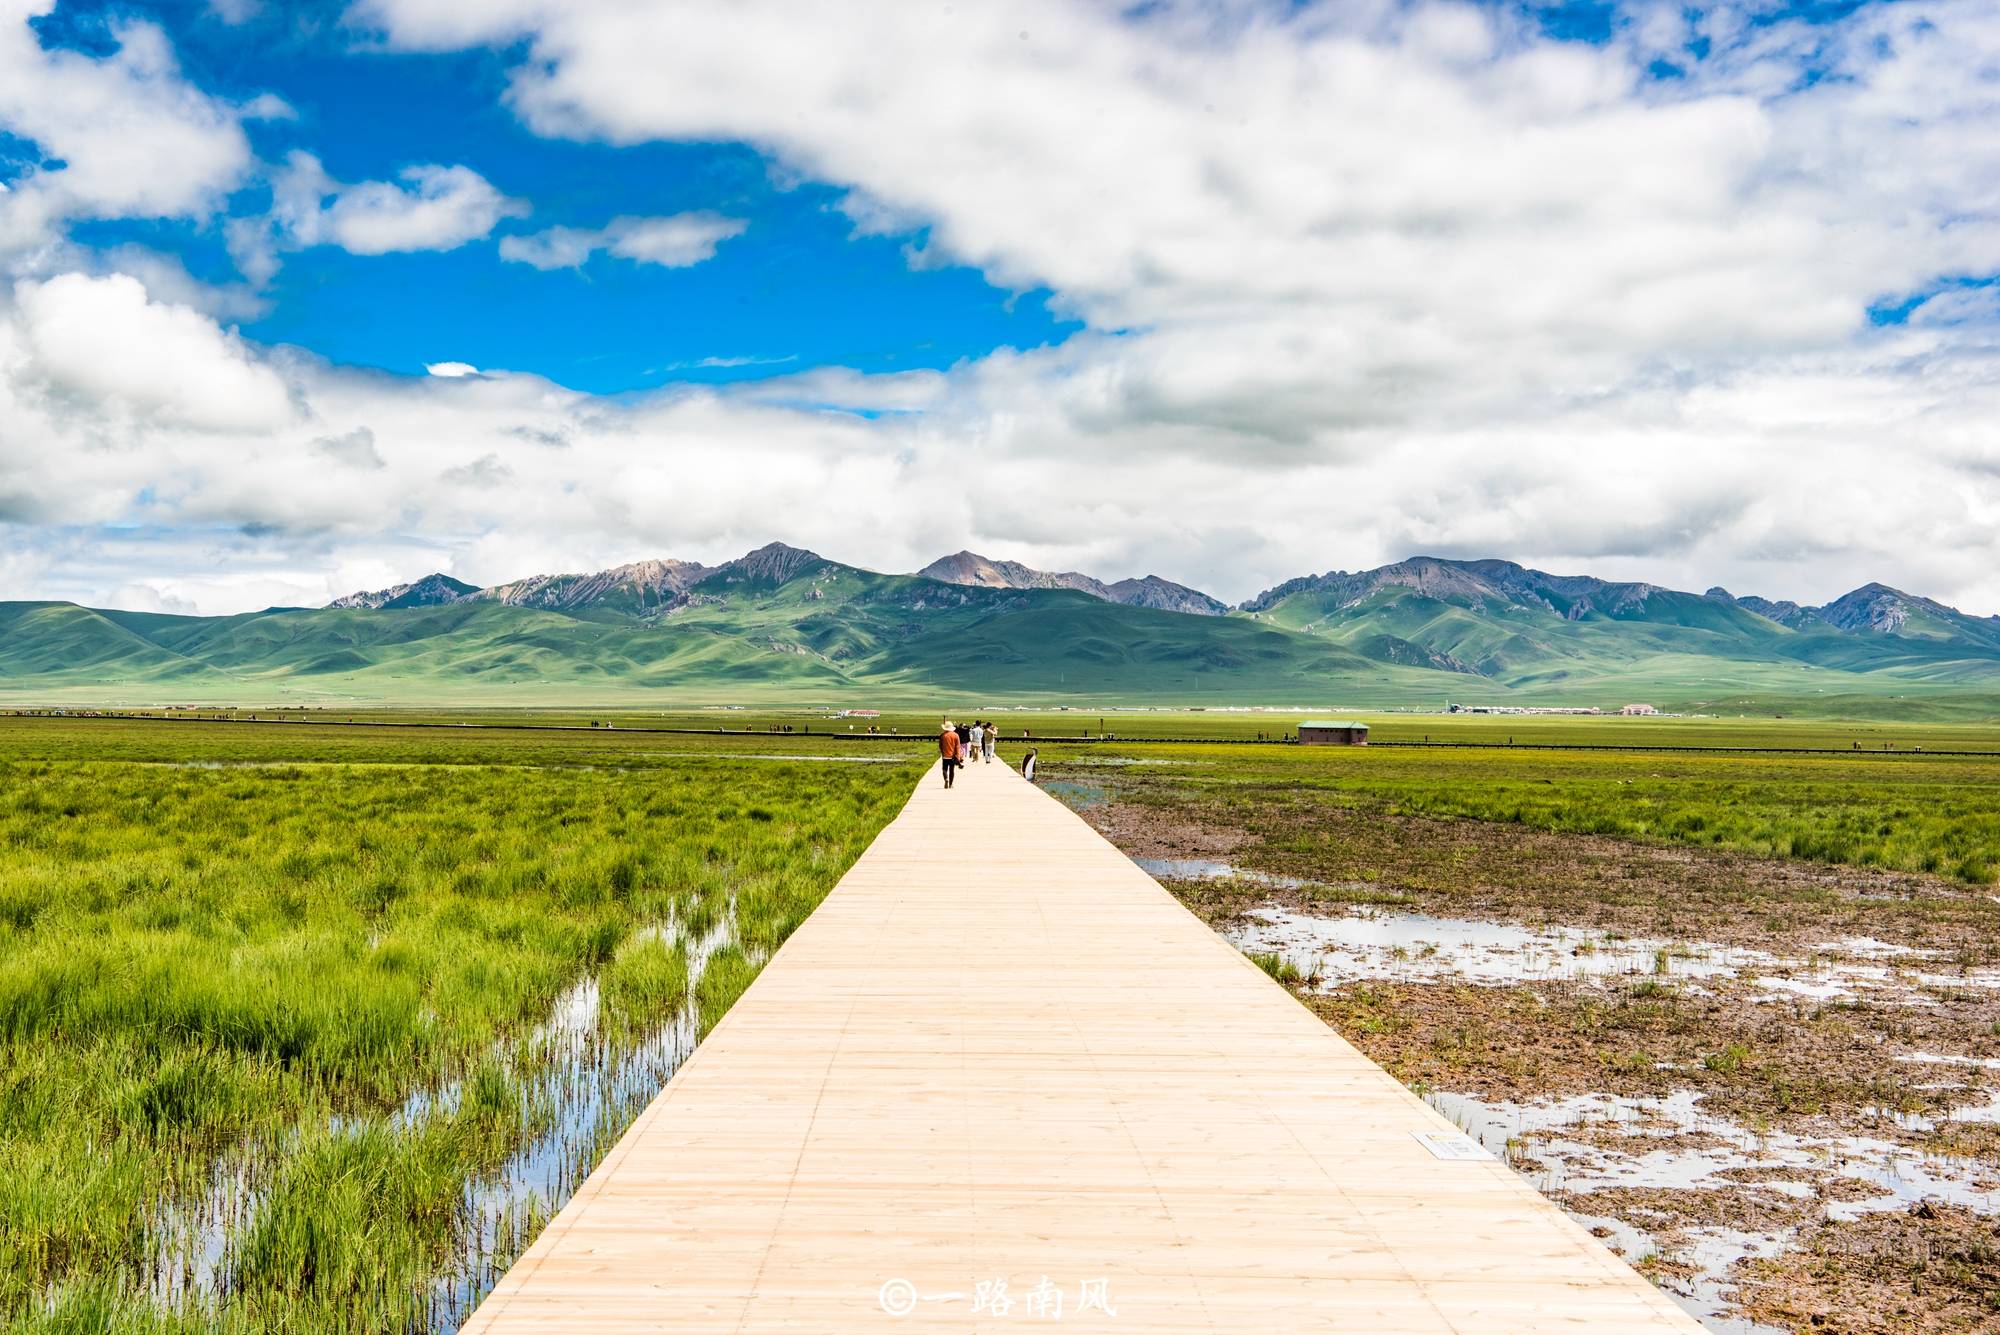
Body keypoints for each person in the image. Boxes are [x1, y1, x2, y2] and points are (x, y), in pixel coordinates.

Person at [939, 719, 961, 788]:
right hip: (953, 756)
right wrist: (958, 756)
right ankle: (951, 784)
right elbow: (958, 747)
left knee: (944, 769)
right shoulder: (956, 735)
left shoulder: (942, 735)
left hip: (945, 756)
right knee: (952, 770)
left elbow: (940, 746)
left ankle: (946, 779)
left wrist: (943, 753)